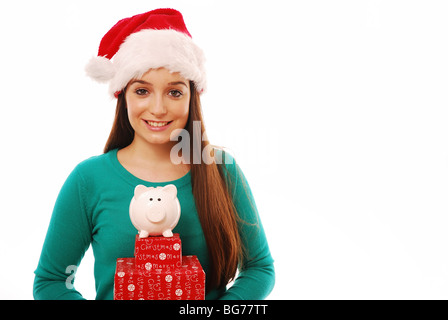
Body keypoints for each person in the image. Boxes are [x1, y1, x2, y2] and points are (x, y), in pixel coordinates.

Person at [33, 8, 274, 300]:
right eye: (142, 91)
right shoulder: (88, 180)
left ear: (192, 97)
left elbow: (259, 268)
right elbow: (51, 281)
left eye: (174, 92)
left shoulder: (221, 170)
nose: (158, 109)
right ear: (123, 95)